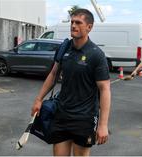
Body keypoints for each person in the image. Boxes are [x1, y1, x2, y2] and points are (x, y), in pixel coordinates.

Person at [31, 8, 111, 156]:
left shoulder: (96, 55)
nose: (73, 25)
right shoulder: (65, 48)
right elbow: (54, 73)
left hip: (84, 118)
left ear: (89, 27)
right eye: (72, 22)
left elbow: (105, 89)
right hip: (62, 114)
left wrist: (103, 125)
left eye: (78, 22)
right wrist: (38, 99)